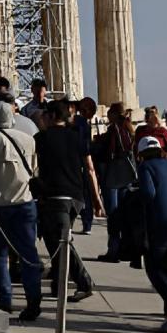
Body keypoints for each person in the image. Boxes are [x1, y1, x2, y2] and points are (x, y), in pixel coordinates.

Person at [33, 99, 104, 303]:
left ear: (53, 116)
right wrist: (96, 199)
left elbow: (33, 166)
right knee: (54, 239)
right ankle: (58, 285)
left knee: (61, 242)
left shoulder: (41, 138)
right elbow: (90, 169)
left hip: (56, 197)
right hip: (77, 197)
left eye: (45, 115)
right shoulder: (77, 138)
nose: (43, 118)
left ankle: (84, 282)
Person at [0, 100, 43, 321]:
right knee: (28, 253)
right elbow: (35, 170)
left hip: (0, 204)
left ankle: (5, 298)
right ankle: (33, 299)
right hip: (26, 202)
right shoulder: (28, 139)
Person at [131, 135, 167, 333]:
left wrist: (134, 194)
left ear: (140, 154)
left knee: (154, 267)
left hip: (162, 222)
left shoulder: (145, 168)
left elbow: (148, 194)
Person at [99, 102, 137, 262]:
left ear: (114, 114)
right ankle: (126, 249)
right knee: (125, 214)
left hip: (113, 177)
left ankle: (113, 251)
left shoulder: (114, 129)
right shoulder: (130, 129)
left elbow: (110, 153)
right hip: (127, 176)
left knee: (113, 216)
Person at [74, 97, 99, 235]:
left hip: (73, 161)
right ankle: (87, 222)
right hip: (83, 161)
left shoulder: (75, 122)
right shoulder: (83, 124)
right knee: (86, 192)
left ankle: (72, 222)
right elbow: (86, 145)